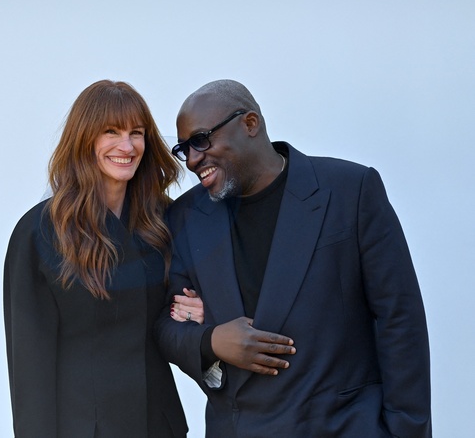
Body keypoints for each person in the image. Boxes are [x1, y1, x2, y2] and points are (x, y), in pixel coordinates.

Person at [158, 79, 431, 437]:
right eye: (184, 149)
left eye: (201, 140)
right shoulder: (185, 217)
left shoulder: (350, 190)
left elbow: (400, 320)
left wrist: (405, 431)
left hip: (344, 426)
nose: (193, 159)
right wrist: (211, 341)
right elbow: (167, 326)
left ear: (250, 124)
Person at [3, 80, 204, 437]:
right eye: (111, 132)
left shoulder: (165, 221)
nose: (126, 146)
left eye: (136, 133)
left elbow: (186, 308)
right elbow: (30, 367)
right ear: (84, 139)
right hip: (84, 427)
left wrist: (198, 312)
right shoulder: (39, 232)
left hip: (158, 424)